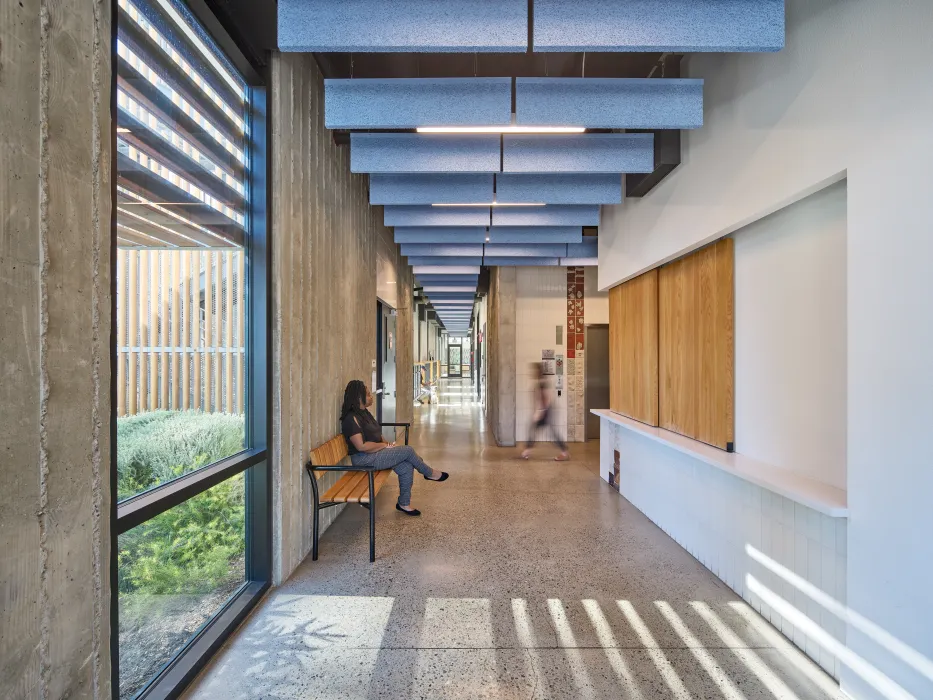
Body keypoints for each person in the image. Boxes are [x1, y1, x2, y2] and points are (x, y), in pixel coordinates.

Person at [341, 379, 448, 516]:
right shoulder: (351, 419)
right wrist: (384, 446)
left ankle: (404, 503)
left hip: (375, 453)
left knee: (406, 466)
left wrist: (388, 445)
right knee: (408, 451)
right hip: (364, 460)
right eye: (368, 394)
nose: (371, 396)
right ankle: (429, 473)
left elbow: (377, 435)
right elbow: (361, 447)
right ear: (358, 397)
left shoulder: (364, 413)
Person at [521, 362, 570, 462]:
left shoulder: (542, 383)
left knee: (546, 432)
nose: (532, 373)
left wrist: (539, 413)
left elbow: (545, 399)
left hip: (545, 411)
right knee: (535, 429)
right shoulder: (541, 382)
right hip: (546, 411)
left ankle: (564, 452)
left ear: (538, 372)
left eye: (534, 371)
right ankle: (527, 450)